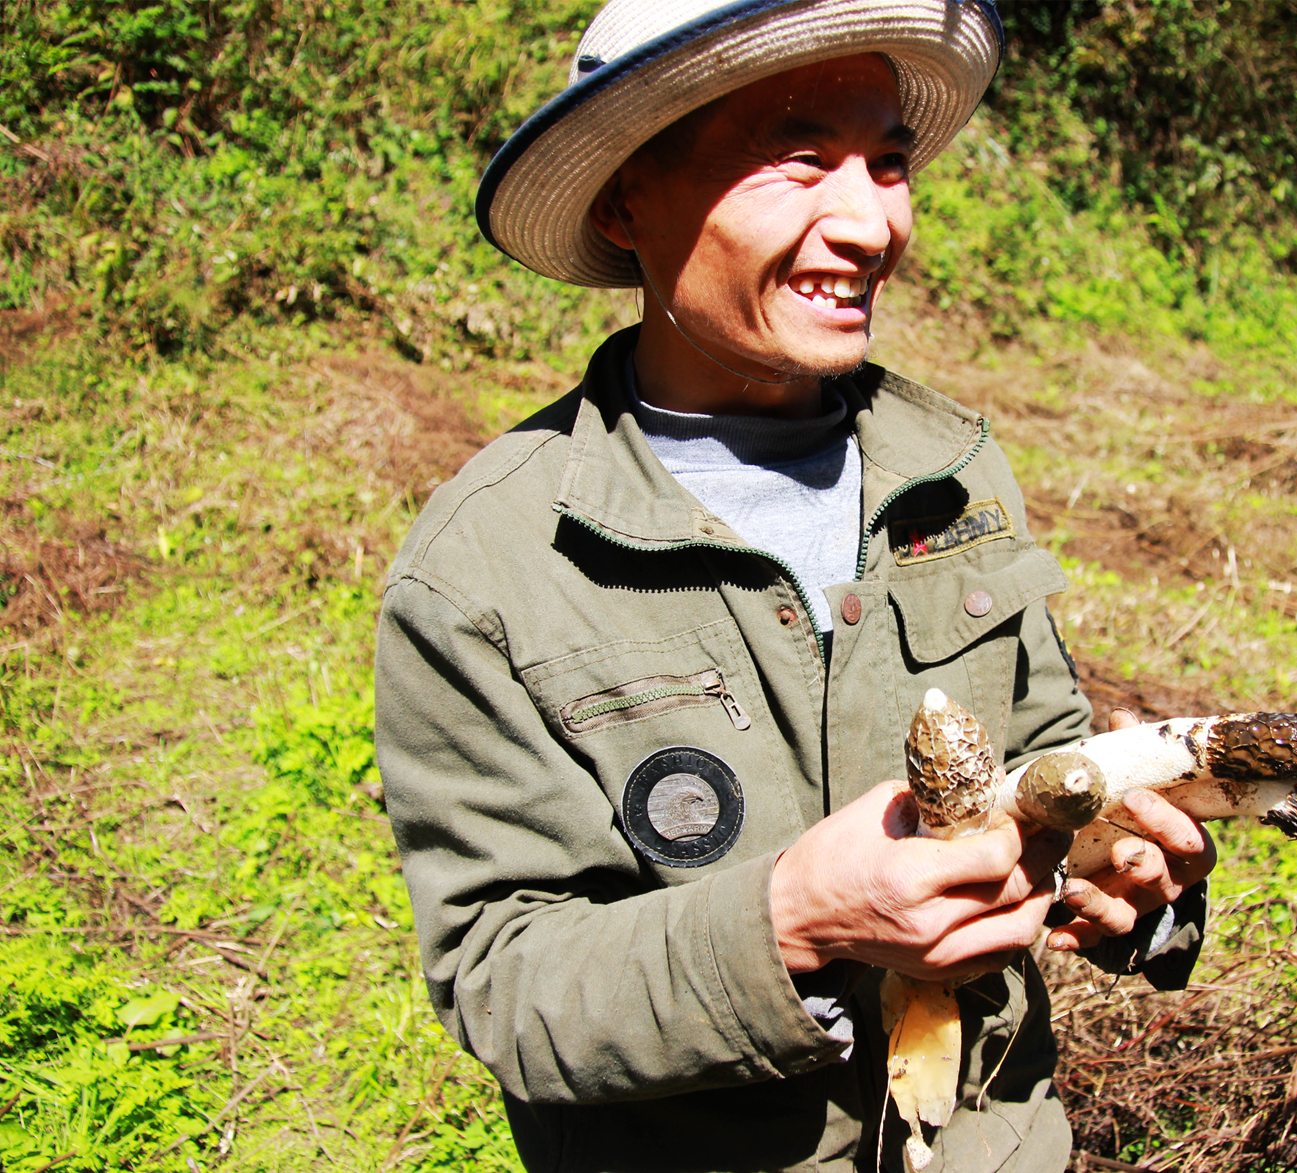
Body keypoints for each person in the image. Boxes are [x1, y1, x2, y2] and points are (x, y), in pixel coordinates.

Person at [373, 3, 1215, 1171]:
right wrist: (790, 921)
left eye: (888, 162)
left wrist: (1114, 867)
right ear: (625, 198)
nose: (871, 223)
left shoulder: (953, 474)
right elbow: (506, 982)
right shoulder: (494, 563)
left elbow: (1041, 756)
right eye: (801, 159)